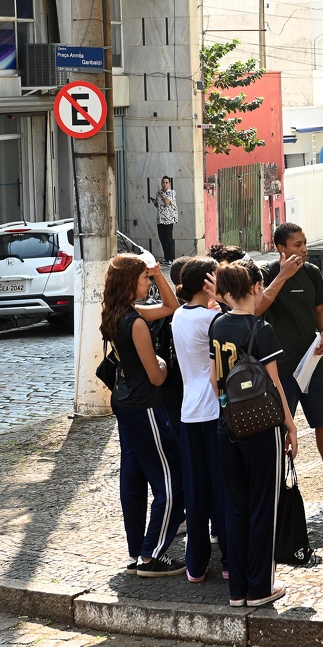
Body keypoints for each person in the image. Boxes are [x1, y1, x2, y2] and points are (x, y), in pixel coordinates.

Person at [211, 259, 298, 608]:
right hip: (262, 426)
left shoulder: (216, 326)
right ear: (256, 287)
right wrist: (290, 425)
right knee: (264, 506)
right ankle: (261, 587)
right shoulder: (261, 329)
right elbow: (274, 384)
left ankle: (238, 591)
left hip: (226, 423)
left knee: (235, 506)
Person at [99, 254, 185, 577]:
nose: (149, 283)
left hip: (124, 403)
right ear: (129, 281)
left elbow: (171, 307)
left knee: (133, 478)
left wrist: (158, 273)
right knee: (172, 480)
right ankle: (151, 554)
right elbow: (158, 376)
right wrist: (162, 361)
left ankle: (137, 549)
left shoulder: (116, 313)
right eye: (145, 278)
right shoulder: (135, 323)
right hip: (145, 406)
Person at [256, 223, 323, 502]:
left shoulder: (313, 273)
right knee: (279, 429)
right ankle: (277, 487)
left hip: (312, 364)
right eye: (297, 245)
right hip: (279, 369)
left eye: (304, 243)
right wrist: (283, 276)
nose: (304, 249)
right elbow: (257, 309)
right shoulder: (266, 274)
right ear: (281, 248)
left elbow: (320, 313)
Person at [171, 257, 228, 584]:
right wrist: (220, 300)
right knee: (221, 489)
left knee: (196, 492)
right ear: (208, 283)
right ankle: (229, 562)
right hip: (213, 411)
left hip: (188, 410)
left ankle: (195, 565)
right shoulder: (214, 319)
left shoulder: (179, 315)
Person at [152, 176, 178, 265]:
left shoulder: (171, 192)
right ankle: (166, 258)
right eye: (163, 182)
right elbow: (159, 206)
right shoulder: (158, 193)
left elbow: (167, 202)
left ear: (169, 184)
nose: (164, 184)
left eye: (166, 182)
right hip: (160, 219)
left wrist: (162, 194)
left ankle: (171, 259)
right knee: (162, 239)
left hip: (169, 219)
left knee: (168, 239)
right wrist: (155, 203)